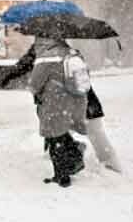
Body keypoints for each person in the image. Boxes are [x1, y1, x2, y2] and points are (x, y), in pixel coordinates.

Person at [1, 42, 122, 172]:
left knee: (63, 130)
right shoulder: (70, 51)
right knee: (89, 130)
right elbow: (84, 74)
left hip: (65, 102)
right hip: (84, 99)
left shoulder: (46, 53)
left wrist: (9, 76)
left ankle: (85, 155)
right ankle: (105, 161)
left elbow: (31, 76)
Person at [27, 36, 89, 187]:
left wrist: (35, 89)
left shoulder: (47, 58)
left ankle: (62, 176)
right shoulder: (74, 54)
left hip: (54, 103)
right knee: (60, 134)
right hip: (74, 101)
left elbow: (34, 84)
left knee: (54, 139)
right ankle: (74, 155)